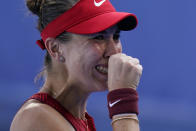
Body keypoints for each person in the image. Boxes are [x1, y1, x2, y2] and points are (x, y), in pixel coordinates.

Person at [10, 0, 143, 130]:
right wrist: (124, 104)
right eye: (99, 37)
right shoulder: (36, 118)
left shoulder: (79, 120)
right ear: (55, 48)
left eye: (116, 36)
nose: (113, 52)